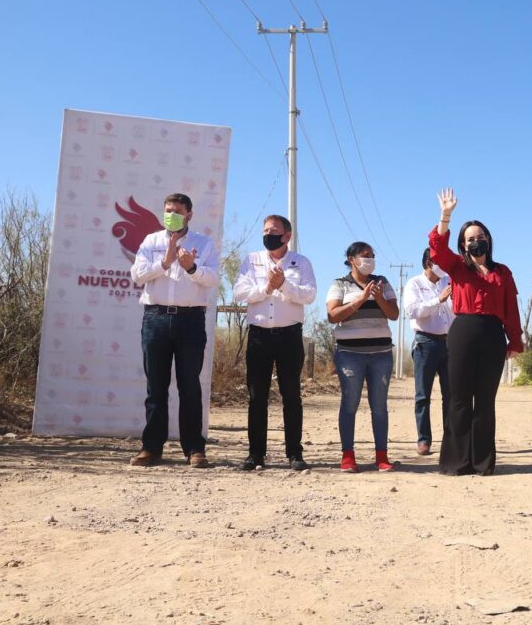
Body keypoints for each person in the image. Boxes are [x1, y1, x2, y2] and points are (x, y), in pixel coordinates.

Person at [429, 188, 523, 476]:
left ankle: (482, 462)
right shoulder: (457, 267)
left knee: (485, 401)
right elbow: (437, 249)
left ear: (488, 240)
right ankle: (457, 461)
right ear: (462, 244)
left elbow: (511, 309)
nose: (476, 241)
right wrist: (446, 215)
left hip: (493, 335)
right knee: (458, 398)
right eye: (470, 238)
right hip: (463, 333)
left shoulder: (503, 271)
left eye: (480, 237)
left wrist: (515, 341)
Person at [129, 193, 219, 468]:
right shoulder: (151, 241)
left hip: (190, 320)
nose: (171, 215)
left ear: (189, 215)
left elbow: (213, 279)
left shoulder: (203, 243)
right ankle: (152, 448)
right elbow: (137, 275)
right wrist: (165, 262)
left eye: (177, 211)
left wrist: (191, 267)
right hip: (155, 318)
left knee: (189, 386)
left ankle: (194, 449)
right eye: (168, 210)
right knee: (155, 385)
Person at [232, 215, 317, 471]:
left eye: (274, 230)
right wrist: (267, 288)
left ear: (287, 236)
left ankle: (294, 453)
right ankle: (255, 454)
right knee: (256, 396)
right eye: (266, 230)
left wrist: (285, 285)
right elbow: (239, 292)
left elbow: (309, 295)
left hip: (289, 336)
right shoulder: (251, 260)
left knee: (291, 395)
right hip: (258, 336)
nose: (268, 234)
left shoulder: (300, 262)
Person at [325, 242, 399, 473]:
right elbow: (332, 315)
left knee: (379, 406)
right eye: (365, 256)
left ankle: (382, 456)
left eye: (372, 256)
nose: (370, 260)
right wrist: (359, 299)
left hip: (381, 354)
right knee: (350, 404)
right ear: (351, 259)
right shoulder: (339, 284)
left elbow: (394, 314)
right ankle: (348, 456)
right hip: (349, 355)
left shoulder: (382, 282)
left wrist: (377, 298)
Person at [403, 248, 454, 456]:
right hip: (426, 342)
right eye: (438, 261)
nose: (441, 266)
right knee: (423, 395)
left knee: (451, 395)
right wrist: (438, 300)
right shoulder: (414, 284)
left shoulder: (449, 281)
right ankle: (424, 440)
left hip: (450, 342)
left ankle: (451, 439)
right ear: (428, 262)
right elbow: (412, 311)